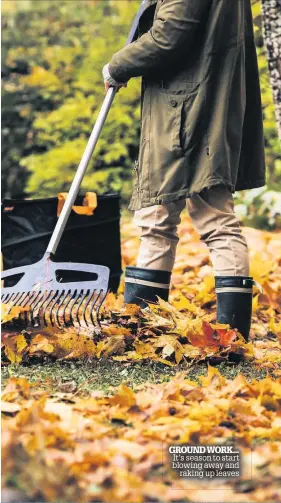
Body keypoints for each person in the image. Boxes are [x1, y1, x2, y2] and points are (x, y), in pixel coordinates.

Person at [103, 0, 265, 341]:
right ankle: (162, 329)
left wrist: (118, 65)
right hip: (202, 101)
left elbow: (168, 36)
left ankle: (148, 328)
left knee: (179, 217)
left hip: (186, 106)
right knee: (179, 216)